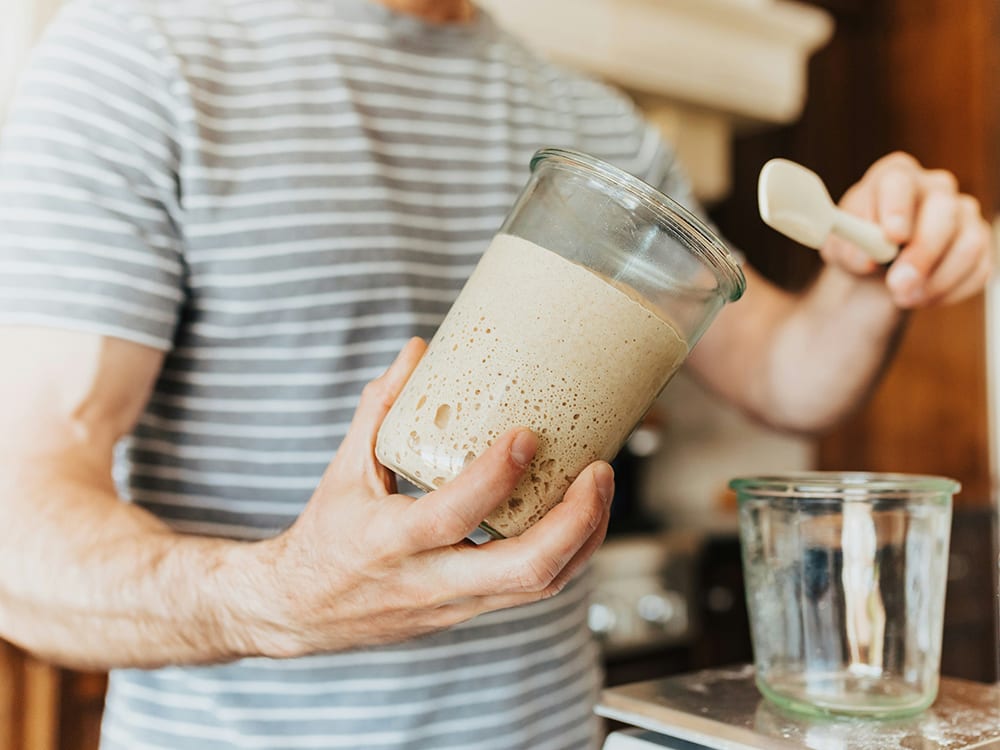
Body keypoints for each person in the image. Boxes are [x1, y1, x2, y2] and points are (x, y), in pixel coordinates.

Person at [0, 0, 991, 747]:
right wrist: (277, 594)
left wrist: (873, 281)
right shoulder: (141, 59)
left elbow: (788, 378)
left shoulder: (591, 122)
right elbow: (20, 527)